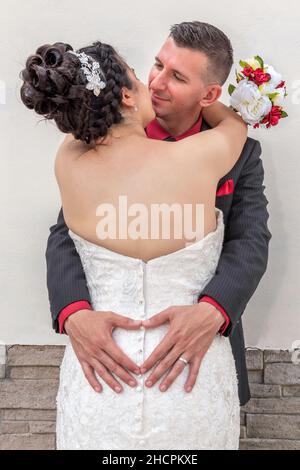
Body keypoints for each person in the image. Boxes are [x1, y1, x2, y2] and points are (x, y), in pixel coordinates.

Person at [20, 22, 270, 450]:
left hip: (194, 355)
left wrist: (215, 310)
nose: (156, 81)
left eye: (177, 76)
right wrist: (73, 312)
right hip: (104, 358)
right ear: (125, 94)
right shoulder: (210, 151)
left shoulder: (74, 155)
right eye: (155, 66)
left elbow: (251, 241)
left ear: (209, 94)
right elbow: (65, 235)